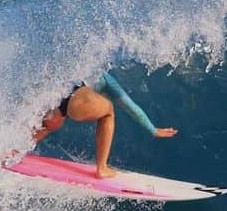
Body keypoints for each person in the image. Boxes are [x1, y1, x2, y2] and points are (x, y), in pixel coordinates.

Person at [32, 73, 177, 178]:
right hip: (76, 100)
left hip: (57, 103)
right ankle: (102, 168)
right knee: (108, 112)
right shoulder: (106, 78)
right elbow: (130, 106)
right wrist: (153, 129)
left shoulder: (80, 69)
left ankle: (13, 152)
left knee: (49, 126)